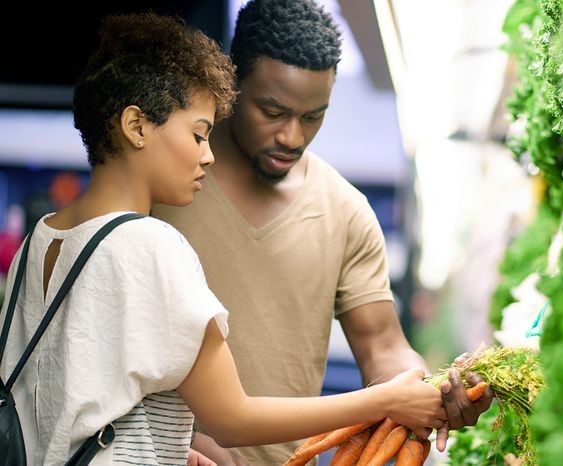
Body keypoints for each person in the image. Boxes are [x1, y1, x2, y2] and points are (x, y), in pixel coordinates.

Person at [0, 13, 445, 466]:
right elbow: (233, 418)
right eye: (198, 134)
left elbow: (73, 387)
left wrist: (170, 443)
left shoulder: (40, 238)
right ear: (136, 127)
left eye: (313, 116)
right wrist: (384, 401)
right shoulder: (152, 243)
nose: (206, 156)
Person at [152, 1, 494, 464]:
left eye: (313, 116)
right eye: (272, 111)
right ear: (230, 85)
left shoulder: (346, 210)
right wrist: (181, 441)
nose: (292, 136)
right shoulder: (162, 185)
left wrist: (431, 389)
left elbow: (383, 346)